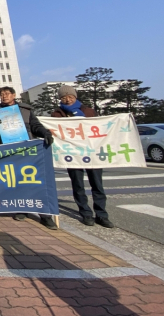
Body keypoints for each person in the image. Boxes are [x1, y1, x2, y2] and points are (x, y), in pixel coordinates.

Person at [0, 86, 57, 230]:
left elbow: (35, 125)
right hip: (9, 150)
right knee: (16, 179)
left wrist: (45, 133)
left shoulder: (26, 110)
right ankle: (21, 209)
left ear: (13, 95)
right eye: (1, 94)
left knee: (35, 180)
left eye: (7, 94)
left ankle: (45, 215)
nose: (4, 96)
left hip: (28, 148)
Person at [51, 85, 114, 228]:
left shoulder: (89, 112)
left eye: (70, 97)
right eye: (63, 97)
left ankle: (102, 214)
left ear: (75, 97)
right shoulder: (57, 115)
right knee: (78, 184)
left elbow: (102, 129)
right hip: (72, 153)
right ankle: (85, 213)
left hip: (92, 152)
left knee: (97, 184)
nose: (67, 100)